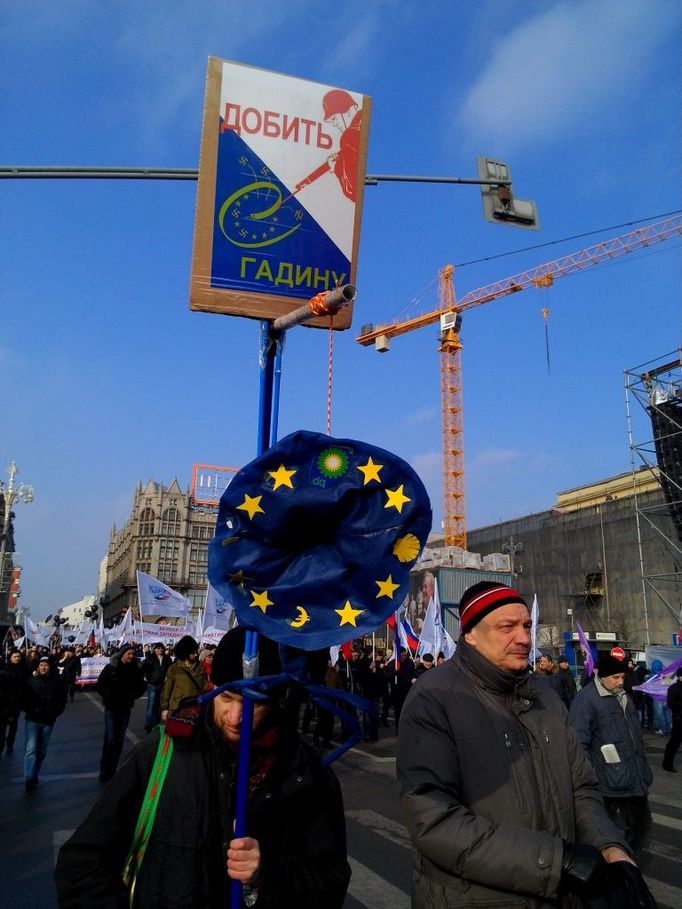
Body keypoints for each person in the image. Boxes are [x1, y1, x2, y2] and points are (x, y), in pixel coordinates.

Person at [397, 581, 654, 909]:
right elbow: (433, 819)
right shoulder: (433, 699)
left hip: (562, 894)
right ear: (471, 634)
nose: (523, 638)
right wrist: (555, 861)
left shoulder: (546, 697)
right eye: (507, 627)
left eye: (527, 625)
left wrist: (610, 848)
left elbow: (582, 789)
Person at [54, 627, 351, 908]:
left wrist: (268, 874)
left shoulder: (304, 770)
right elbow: (82, 862)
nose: (236, 717)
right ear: (212, 688)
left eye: (254, 705)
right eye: (227, 698)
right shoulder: (162, 752)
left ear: (277, 702)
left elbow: (331, 881)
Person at [569, 652, 654, 854]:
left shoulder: (624, 697)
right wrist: (591, 777)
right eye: (615, 678)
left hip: (634, 777)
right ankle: (610, 871)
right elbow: (578, 743)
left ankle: (624, 866)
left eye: (623, 677)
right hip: (606, 782)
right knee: (603, 834)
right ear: (602, 676)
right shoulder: (585, 701)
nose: (620, 682)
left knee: (641, 828)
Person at [97, 643, 146, 782]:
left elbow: (141, 686)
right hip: (111, 708)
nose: (131, 656)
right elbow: (100, 684)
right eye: (128, 653)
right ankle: (105, 769)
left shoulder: (136, 669)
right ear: (122, 654)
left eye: (133, 654)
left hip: (125, 707)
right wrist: (109, 695)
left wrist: (133, 695)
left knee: (118, 740)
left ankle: (111, 770)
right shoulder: (111, 667)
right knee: (111, 738)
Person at [22, 655, 67, 789]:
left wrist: (55, 712)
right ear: (38, 667)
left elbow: (61, 700)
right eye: (41, 665)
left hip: (48, 721)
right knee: (31, 749)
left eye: (46, 665)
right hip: (33, 720)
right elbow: (23, 699)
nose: (43, 667)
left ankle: (34, 774)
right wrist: (30, 710)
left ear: (50, 667)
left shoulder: (57, 681)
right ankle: (29, 776)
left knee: (41, 751)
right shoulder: (31, 681)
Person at [160, 635, 206, 720]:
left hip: (195, 709)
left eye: (196, 651)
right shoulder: (174, 668)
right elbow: (167, 689)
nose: (196, 654)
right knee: (175, 732)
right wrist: (165, 708)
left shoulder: (201, 667)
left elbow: (205, 687)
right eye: (192, 652)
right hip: (177, 708)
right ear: (185, 652)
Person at [0, 650, 29, 755]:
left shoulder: (25, 669)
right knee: (2, 726)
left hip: (17, 703)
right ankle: (1, 743)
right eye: (14, 656)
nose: (17, 658)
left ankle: (10, 744)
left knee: (13, 725)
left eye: (18, 656)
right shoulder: (5, 669)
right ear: (10, 658)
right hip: (4, 703)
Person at [141, 642, 170, 732]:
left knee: (159, 706)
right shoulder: (150, 658)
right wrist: (146, 677)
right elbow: (144, 668)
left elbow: (169, 670)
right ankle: (148, 724)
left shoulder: (167, 659)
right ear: (155, 649)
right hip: (152, 685)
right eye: (158, 648)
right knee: (151, 705)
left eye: (161, 648)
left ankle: (156, 724)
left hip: (162, 685)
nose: (160, 650)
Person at [662, 666, 682, 772]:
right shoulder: (673, 688)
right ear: (679, 677)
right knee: (674, 743)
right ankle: (667, 764)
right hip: (679, 719)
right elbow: (671, 703)